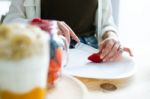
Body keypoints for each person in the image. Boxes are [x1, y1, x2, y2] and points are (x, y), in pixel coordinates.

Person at [3, 0, 133, 62]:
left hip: (88, 50)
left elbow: (107, 23)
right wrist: (45, 26)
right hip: (45, 47)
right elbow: (9, 22)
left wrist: (111, 37)